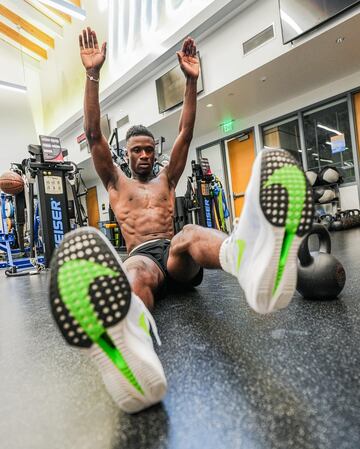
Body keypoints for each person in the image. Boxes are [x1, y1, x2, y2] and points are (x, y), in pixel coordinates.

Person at [49, 27, 314, 414]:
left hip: (177, 260)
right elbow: (92, 135)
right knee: (134, 271)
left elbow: (186, 132)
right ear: (125, 155)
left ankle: (251, 261)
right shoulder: (116, 183)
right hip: (143, 257)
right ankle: (128, 343)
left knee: (188, 234)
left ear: (154, 152)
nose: (143, 155)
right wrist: (92, 75)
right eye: (135, 150)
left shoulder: (166, 179)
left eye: (147, 149)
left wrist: (191, 82)